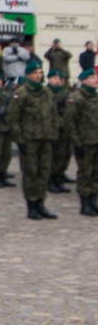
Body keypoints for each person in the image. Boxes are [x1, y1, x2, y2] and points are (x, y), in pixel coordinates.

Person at [12, 58, 59, 219]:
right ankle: (32, 205)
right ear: (28, 75)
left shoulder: (46, 92)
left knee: (44, 172)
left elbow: (53, 114)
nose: (39, 76)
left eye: (40, 73)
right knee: (31, 173)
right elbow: (13, 118)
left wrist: (54, 134)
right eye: (35, 73)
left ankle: (41, 203)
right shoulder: (21, 93)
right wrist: (20, 140)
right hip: (29, 139)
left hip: (46, 138)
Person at [65, 68, 98, 216]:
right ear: (83, 80)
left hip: (96, 141)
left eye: (96, 77)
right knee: (85, 173)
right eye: (92, 77)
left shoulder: (95, 97)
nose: (96, 79)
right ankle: (85, 203)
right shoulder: (76, 98)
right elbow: (69, 122)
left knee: (96, 173)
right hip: (84, 142)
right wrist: (77, 143)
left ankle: (93, 201)